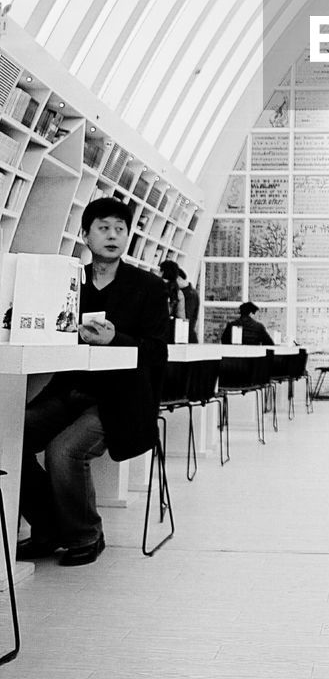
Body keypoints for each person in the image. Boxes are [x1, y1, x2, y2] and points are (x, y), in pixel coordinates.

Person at [18, 197, 170, 566]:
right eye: (104, 228)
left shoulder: (148, 286)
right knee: (10, 438)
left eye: (121, 228)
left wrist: (115, 339)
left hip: (120, 400)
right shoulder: (70, 281)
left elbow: (156, 351)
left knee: (63, 451)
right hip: (69, 390)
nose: (114, 235)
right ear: (85, 235)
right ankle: (50, 526)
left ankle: (86, 534)